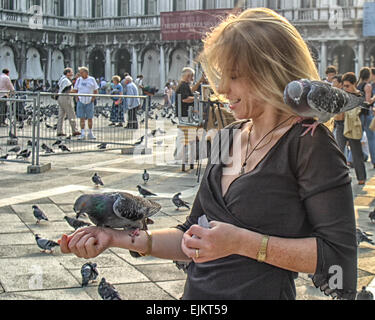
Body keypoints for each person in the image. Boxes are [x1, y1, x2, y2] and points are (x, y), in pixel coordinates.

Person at [59, 8, 357, 300]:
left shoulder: (309, 144)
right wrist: (116, 238)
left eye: (235, 76)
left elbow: (337, 256)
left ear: (271, 71)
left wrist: (243, 242)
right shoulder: (230, 136)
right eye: (221, 75)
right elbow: (191, 234)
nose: (222, 88)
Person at [342, 72, 367, 185]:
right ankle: (342, 177)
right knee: (339, 152)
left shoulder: (360, 96)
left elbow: (362, 111)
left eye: (347, 86)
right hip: (340, 125)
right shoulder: (343, 94)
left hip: (353, 126)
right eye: (344, 86)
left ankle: (361, 177)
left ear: (354, 84)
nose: (345, 88)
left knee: (356, 153)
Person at [71, 67, 99, 140]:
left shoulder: (92, 79)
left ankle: (90, 132)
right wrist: (76, 97)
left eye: (81, 72)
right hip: (81, 101)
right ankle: (82, 132)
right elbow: (75, 89)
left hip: (89, 101)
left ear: (86, 72)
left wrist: (93, 98)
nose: (80, 74)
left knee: (90, 118)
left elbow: (96, 90)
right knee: (81, 118)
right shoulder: (79, 80)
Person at [357, 67, 375, 169]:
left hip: (359, 114)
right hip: (366, 114)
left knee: (357, 138)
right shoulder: (367, 86)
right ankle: (374, 160)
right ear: (368, 75)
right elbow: (368, 102)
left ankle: (351, 159)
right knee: (371, 138)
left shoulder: (358, 85)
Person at [56, 68, 81, 137]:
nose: (72, 74)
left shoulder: (62, 79)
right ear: (67, 73)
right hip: (66, 98)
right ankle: (74, 130)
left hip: (60, 98)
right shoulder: (66, 81)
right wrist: (77, 90)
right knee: (71, 114)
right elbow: (68, 91)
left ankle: (59, 131)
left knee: (61, 115)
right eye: (71, 72)